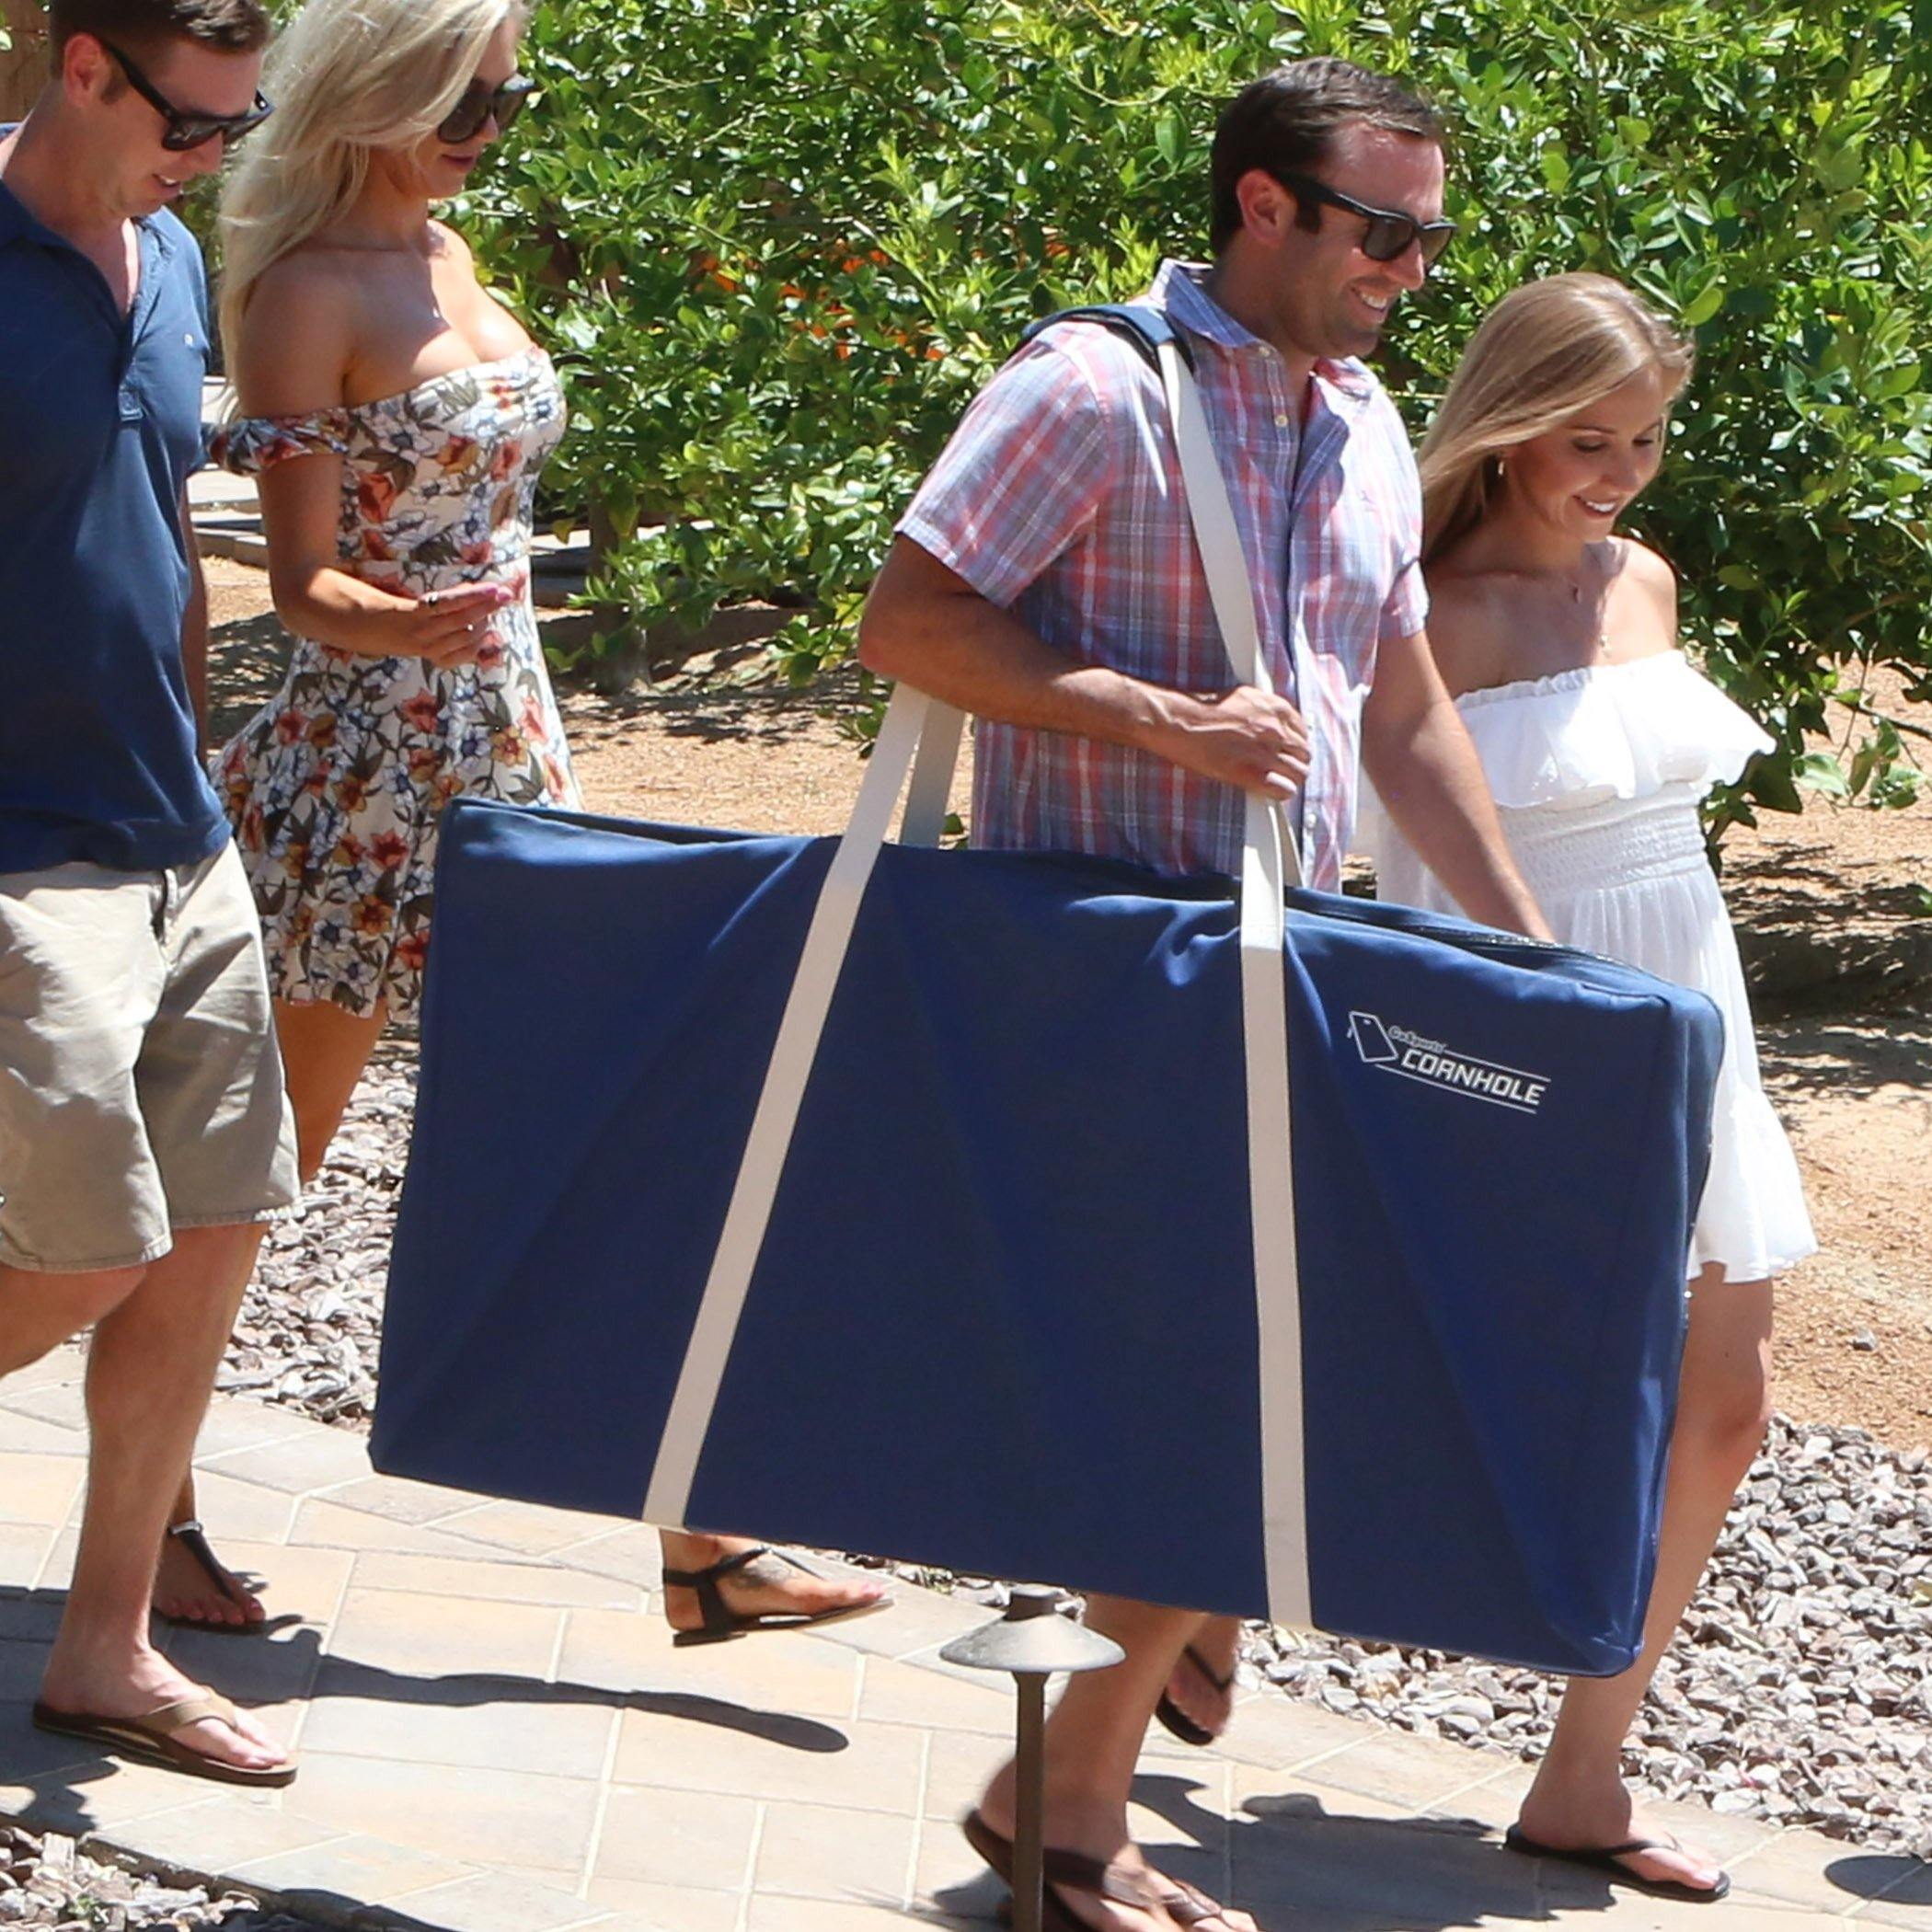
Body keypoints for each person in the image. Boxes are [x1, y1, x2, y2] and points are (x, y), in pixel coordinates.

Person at [860, 59, 1549, 1932]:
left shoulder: (1366, 420)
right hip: (1093, 979)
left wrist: (1513, 943)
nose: (1414, 267)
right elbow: (906, 625)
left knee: (1246, 1398)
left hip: (1274, 968)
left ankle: (1066, 1784)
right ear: (1266, 206)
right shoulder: (1090, 389)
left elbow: (1396, 712)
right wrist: (1155, 714)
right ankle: (1065, 1802)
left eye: (1429, 234)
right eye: (1383, 230)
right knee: (1218, 1403)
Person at [211, 0, 884, 1644]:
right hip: (363, 783)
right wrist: (410, 625)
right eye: (461, 96)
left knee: (612, 1133)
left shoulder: (452, 261)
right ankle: (146, 1511)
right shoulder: (307, 292)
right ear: (379, 84)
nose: (485, 127)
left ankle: (705, 1546)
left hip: (506, 753)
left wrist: (477, 641)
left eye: (507, 100)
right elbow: (301, 591)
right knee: (258, 1170)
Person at [1365, 270, 1816, 1903]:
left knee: (1729, 1404)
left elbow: (1666, 846)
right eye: (1585, 439)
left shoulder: (1649, 585)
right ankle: (1185, 1616)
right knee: (1420, 1369)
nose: (1618, 472)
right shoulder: (1428, 611)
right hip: (1524, 1025)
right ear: (1502, 426)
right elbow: (1406, 869)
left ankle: (1585, 1768)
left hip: (1693, 1013)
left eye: (1643, 439)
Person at [0, 0, 299, 1784]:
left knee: (209, 1232)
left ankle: (104, 1647)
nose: (209, 160)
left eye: (238, 126)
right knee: (87, 1247)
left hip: (178, 834)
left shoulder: (172, 261)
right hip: (19, 854)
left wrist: (208, 777)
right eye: (192, 123)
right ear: (84, 66)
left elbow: (166, 534)